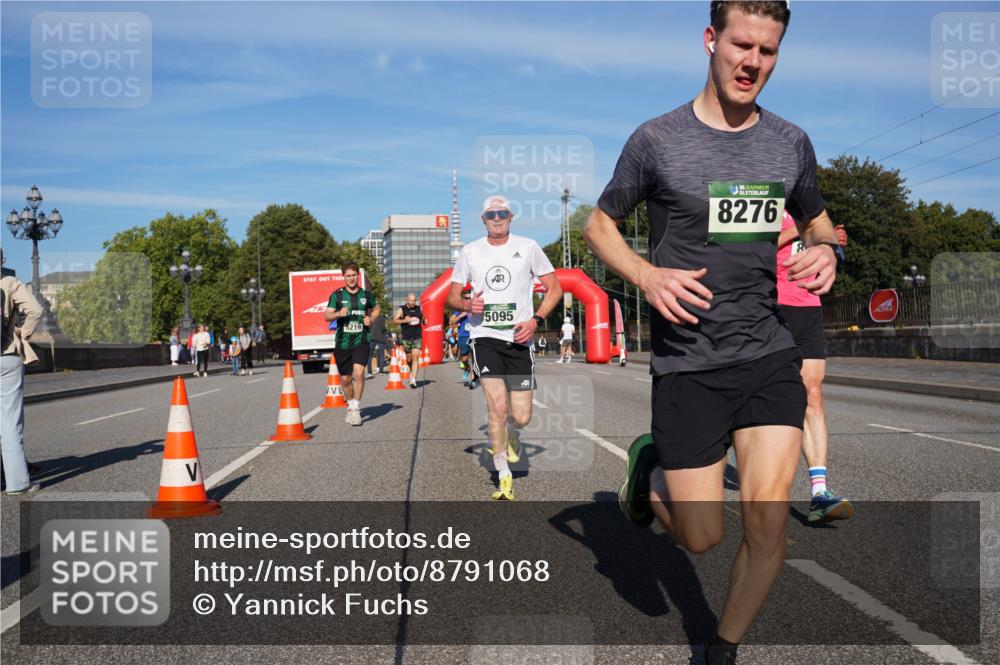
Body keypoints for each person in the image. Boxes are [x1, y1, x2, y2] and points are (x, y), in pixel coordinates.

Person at [583, 2, 842, 662]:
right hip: (688, 359)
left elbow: (816, 221)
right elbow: (599, 226)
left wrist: (826, 251)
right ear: (710, 40)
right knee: (699, 537)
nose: (753, 61)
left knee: (767, 519)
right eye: (741, 45)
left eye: (769, 50)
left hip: (767, 350)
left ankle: (721, 647)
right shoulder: (656, 140)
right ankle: (649, 477)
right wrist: (646, 276)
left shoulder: (790, 142)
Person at [447, 195, 562, 500]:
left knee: (521, 416)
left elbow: (555, 287)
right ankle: (503, 474)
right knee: (497, 406)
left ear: (511, 216)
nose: (496, 218)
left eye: (502, 213)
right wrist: (466, 303)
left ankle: (511, 435)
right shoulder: (470, 252)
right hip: (484, 336)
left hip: (520, 339)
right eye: (490, 214)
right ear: (482, 219)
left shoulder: (528, 247)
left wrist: (536, 320)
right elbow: (452, 295)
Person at [777, 211, 854, 523]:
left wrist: (832, 244)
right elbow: (743, 253)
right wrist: (798, 230)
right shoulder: (759, 195)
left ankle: (819, 494)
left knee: (812, 394)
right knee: (760, 396)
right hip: (768, 305)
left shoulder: (810, 209)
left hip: (807, 306)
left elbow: (824, 251)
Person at [1, 252, 44, 495]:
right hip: (6, 358)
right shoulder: (9, 283)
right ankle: (16, 483)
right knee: (9, 423)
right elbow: (36, 311)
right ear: (2, 261)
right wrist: (21, 335)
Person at [325, 262, 380, 426]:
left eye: (354, 275)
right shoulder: (337, 295)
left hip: (361, 340)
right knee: (345, 379)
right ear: (344, 277)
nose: (351, 278)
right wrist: (337, 314)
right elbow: (326, 316)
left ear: (358, 276)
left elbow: (377, 308)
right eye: (348, 276)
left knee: (358, 374)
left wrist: (371, 318)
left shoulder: (366, 295)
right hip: (342, 343)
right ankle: (350, 404)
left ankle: (356, 408)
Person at [393, 292, 427, 388]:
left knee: (415, 357)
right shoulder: (402, 309)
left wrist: (425, 321)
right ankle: (411, 370)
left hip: (417, 336)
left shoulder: (418, 308)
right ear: (407, 300)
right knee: (409, 358)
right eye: (410, 300)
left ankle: (413, 379)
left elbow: (423, 319)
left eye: (414, 301)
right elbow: (395, 320)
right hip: (406, 337)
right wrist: (405, 320)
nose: (412, 303)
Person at [449, 292, 474, 386]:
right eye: (466, 298)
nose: (468, 300)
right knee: (464, 359)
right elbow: (451, 321)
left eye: (470, 298)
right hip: (463, 336)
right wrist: (460, 316)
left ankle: (472, 379)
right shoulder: (460, 309)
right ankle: (467, 369)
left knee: (474, 357)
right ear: (463, 299)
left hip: (475, 335)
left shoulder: (477, 307)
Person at [368, 310, 387, 378]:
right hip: (380, 337)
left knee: (370, 355)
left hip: (371, 337)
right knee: (381, 355)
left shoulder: (370, 317)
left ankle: (369, 372)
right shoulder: (382, 317)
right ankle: (381, 371)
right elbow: (383, 328)